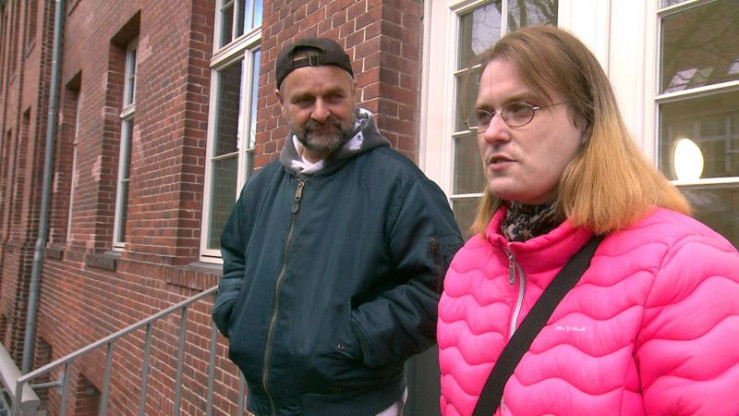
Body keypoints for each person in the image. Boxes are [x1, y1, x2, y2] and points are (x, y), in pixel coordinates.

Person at [437, 25, 739, 416]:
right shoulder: (466, 268)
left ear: (585, 120)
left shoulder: (684, 268)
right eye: (483, 115)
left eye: (520, 108)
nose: (493, 132)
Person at [212, 37, 463, 416]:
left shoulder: (399, 184)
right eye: (304, 101)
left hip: (359, 404)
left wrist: (353, 337)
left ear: (353, 91)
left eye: (333, 97)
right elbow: (235, 258)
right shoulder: (260, 187)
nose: (320, 112)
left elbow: (441, 287)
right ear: (281, 102)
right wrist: (234, 312)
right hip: (267, 404)